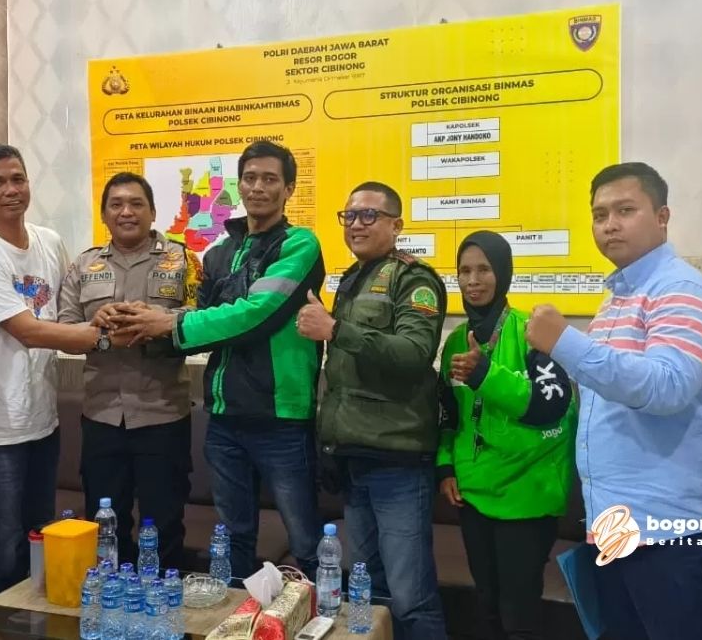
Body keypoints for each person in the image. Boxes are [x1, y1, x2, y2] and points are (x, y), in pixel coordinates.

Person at [527, 162, 702, 640]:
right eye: (600, 214)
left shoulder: (682, 290)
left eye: (625, 210)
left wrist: (564, 341)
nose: (610, 224)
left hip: (680, 533)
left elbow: (666, 387)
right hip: (621, 529)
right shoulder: (619, 298)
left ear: (662, 216)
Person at [111, 140, 325, 578]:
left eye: (270, 179)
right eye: (250, 178)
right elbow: (200, 323)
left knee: (306, 541)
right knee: (233, 538)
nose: (258, 187)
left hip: (282, 418)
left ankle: (322, 612)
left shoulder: (299, 244)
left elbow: (256, 315)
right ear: (239, 185)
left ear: (288, 189)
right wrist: (136, 324)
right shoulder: (219, 253)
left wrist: (169, 323)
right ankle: (237, 612)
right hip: (225, 419)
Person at [297, 182, 448, 640]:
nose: (356, 224)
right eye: (350, 216)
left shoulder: (414, 280)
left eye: (369, 215)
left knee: (410, 595)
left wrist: (335, 329)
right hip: (353, 456)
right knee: (370, 590)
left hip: (397, 459)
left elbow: (413, 354)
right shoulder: (352, 278)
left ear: (396, 225)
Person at [0, 143, 103, 604]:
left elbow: (68, 310)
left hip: (43, 421)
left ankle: (32, 626)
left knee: (40, 537)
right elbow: (29, 331)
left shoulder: (49, 242)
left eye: (17, 178)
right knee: (1, 549)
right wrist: (102, 336)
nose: (10, 190)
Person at [436, 231, 578, 640]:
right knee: (486, 607)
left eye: (484, 269)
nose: (473, 280)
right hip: (473, 496)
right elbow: (448, 414)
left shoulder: (532, 333)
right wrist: (445, 467)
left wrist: (486, 375)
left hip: (526, 498)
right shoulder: (455, 342)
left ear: (503, 273)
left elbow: (551, 406)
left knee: (519, 615)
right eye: (464, 270)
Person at [58, 171, 203, 569]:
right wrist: (98, 328)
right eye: (116, 204)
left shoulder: (183, 261)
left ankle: (162, 601)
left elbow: (204, 324)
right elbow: (65, 330)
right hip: (102, 417)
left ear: (153, 212)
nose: (126, 212)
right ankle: (111, 600)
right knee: (105, 526)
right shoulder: (84, 265)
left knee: (165, 525)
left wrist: (156, 324)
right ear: (104, 214)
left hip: (163, 417)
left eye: (137, 203)